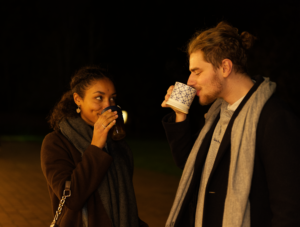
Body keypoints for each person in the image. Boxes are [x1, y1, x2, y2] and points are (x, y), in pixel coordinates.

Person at [161, 21, 300, 227]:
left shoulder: (274, 117)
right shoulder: (218, 114)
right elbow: (190, 163)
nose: (190, 81)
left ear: (225, 67)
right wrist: (180, 115)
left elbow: (289, 209)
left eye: (197, 71)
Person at [41, 66, 148, 227]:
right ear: (78, 99)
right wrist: (96, 146)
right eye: (99, 98)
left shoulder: (117, 143)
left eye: (112, 98)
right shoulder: (56, 143)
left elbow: (125, 199)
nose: (107, 105)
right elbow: (72, 198)